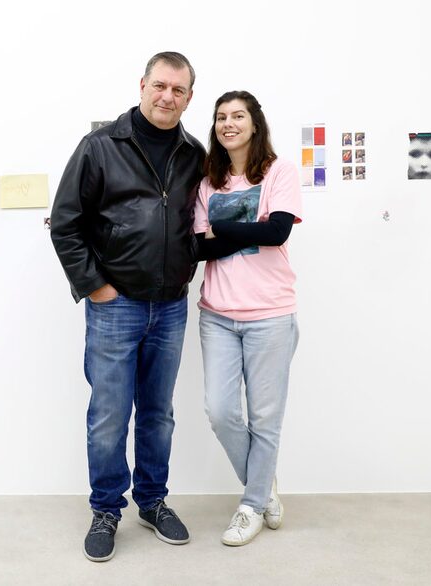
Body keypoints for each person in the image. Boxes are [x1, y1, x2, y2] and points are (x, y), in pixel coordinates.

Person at [50, 51, 205, 563]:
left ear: (188, 97)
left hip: (171, 307)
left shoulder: (193, 153)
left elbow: (196, 222)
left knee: (158, 415)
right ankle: (106, 509)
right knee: (110, 416)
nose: (167, 97)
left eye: (178, 90)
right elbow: (66, 222)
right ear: (142, 85)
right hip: (116, 306)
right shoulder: (100, 146)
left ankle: (153, 501)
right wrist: (95, 286)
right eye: (160, 85)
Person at [193, 90, 302, 547]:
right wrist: (239, 231)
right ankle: (262, 486)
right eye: (221, 117)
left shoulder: (279, 171)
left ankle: (251, 505)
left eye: (238, 116)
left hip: (270, 314)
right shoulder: (206, 182)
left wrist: (224, 230)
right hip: (217, 314)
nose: (228, 124)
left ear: (254, 123)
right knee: (220, 412)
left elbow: (276, 232)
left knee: (265, 417)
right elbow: (201, 248)